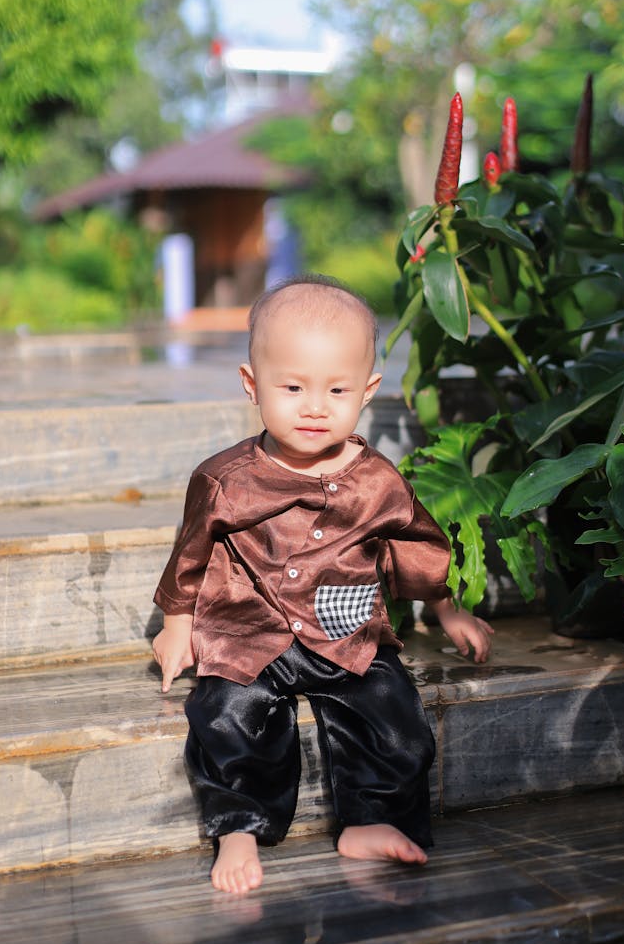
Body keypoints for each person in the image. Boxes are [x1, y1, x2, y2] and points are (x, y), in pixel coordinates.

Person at [152, 275, 493, 895]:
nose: (315, 406)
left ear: (367, 391)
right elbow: (190, 553)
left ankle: (369, 821)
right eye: (293, 387)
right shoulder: (226, 479)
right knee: (229, 714)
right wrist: (178, 628)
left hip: (347, 634)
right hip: (247, 632)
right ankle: (239, 825)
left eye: (336, 390)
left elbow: (415, 549)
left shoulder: (377, 482)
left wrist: (450, 613)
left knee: (395, 720)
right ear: (252, 387)